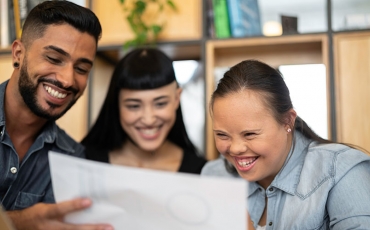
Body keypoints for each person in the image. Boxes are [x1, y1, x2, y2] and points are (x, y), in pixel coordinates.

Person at [201, 59, 370, 229]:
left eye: (250, 134)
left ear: (287, 121)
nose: (236, 148)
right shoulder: (214, 176)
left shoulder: (341, 172)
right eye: (222, 135)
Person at [1, 1, 113, 229]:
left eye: (81, 69)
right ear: (18, 53)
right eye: (53, 58)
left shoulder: (71, 159)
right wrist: (22, 223)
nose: (67, 80)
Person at [81, 48, 207, 174]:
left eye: (160, 104)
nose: (149, 120)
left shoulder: (201, 172)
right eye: (134, 106)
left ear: (176, 99)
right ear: (116, 104)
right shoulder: (84, 162)